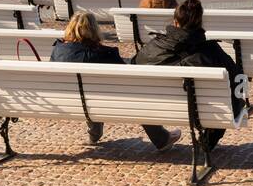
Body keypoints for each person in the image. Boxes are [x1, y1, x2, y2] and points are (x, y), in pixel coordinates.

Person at [50, 11, 179, 150]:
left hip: (70, 101)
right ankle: (162, 139)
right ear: (94, 29)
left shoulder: (58, 51)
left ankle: (94, 134)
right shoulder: (105, 54)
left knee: (89, 94)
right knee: (137, 96)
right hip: (106, 102)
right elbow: (127, 78)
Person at [132, 0, 245, 151]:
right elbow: (238, 80)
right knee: (228, 91)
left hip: (151, 107)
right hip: (203, 113)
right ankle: (207, 141)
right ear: (199, 23)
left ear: (175, 22)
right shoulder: (211, 52)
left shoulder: (152, 48)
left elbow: (134, 68)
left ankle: (161, 138)